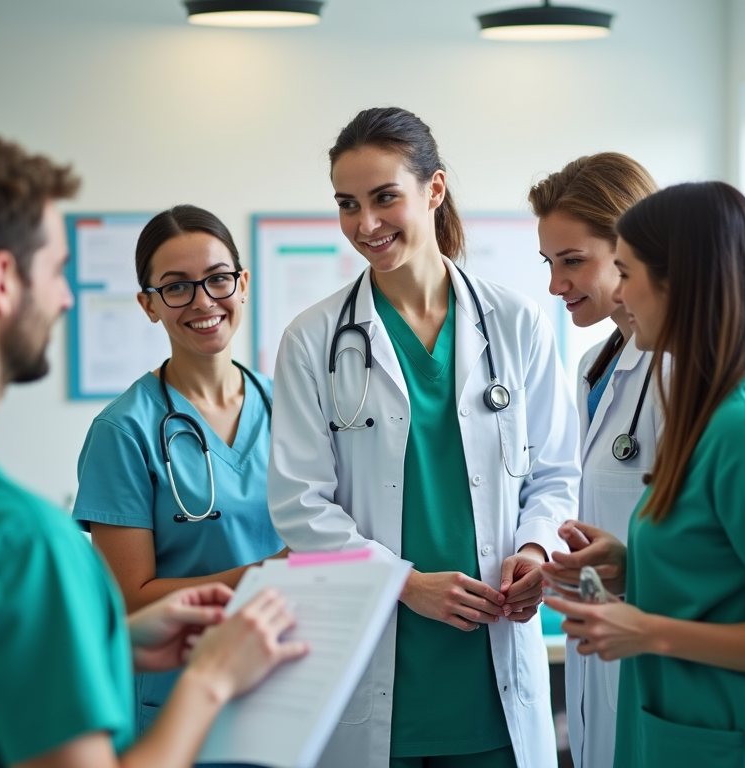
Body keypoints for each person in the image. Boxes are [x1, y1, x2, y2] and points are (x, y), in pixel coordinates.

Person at [0, 138, 306, 768]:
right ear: (2, 282)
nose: (67, 299)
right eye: (56, 271)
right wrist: (210, 679)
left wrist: (116, 640)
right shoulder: (22, 540)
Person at [268, 106, 581, 768]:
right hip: (380, 668)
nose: (365, 224)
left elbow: (557, 472)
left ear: (433, 191)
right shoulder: (314, 339)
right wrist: (404, 584)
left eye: (385, 198)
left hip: (494, 672)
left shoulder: (515, 322)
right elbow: (299, 504)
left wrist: (532, 548)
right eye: (347, 204)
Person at [543, 181, 745, 768]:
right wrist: (635, 565)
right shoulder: (706, 408)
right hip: (678, 730)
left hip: (737, 744)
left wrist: (650, 631)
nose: (620, 293)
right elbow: (729, 579)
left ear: (678, 282)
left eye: (627, 273)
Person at [72, 205, 287, 735]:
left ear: (243, 283)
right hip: (179, 701)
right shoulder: (124, 430)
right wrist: (267, 575)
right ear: (148, 304)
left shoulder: (291, 407)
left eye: (218, 279)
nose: (202, 301)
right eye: (176, 287)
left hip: (286, 678)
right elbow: (128, 598)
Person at [528, 152, 659, 768]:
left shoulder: (682, 374)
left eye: (573, 261)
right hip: (599, 656)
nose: (556, 286)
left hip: (661, 665)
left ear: (630, 247)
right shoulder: (591, 368)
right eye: (550, 263)